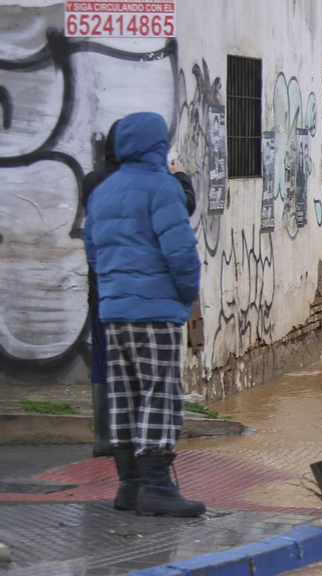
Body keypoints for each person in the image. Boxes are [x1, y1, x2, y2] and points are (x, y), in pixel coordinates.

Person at [82, 112, 205, 517]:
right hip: (155, 309)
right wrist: (185, 297)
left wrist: (114, 292)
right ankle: (156, 485)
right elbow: (181, 254)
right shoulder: (163, 187)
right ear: (156, 143)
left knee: (125, 393)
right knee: (159, 392)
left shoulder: (103, 190)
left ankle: (129, 486)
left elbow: (94, 251)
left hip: (113, 310)